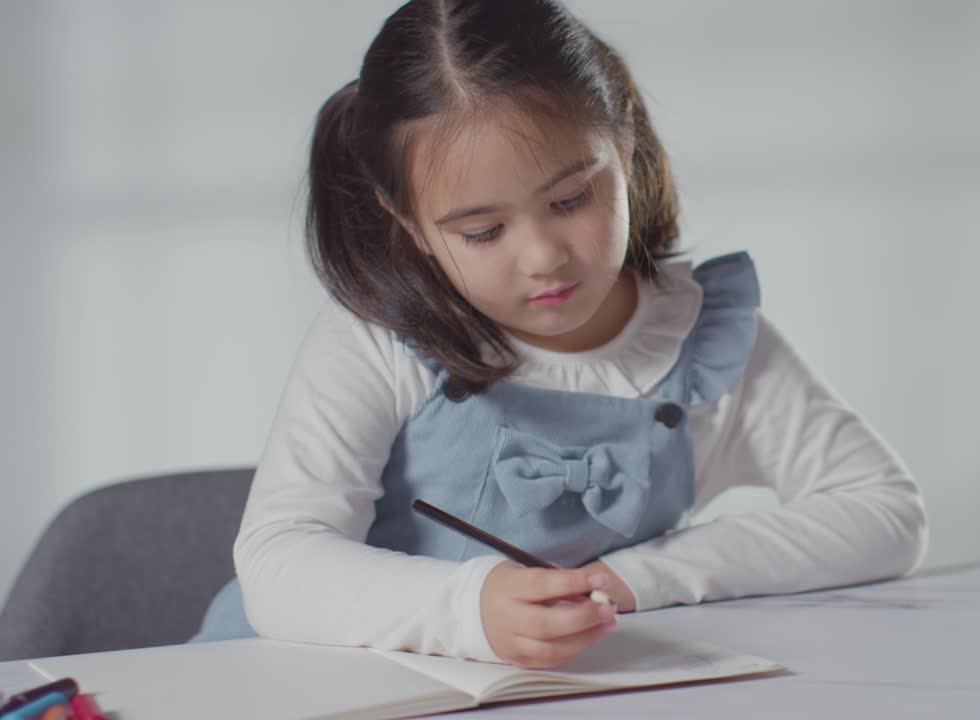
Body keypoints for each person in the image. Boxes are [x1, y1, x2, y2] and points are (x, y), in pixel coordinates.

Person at [192, 0, 927, 669]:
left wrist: (635, 579)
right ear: (407, 222)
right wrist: (466, 607)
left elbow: (883, 511)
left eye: (572, 198)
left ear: (626, 147)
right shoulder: (377, 338)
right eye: (482, 231)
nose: (543, 256)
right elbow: (279, 563)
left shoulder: (702, 339)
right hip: (313, 681)